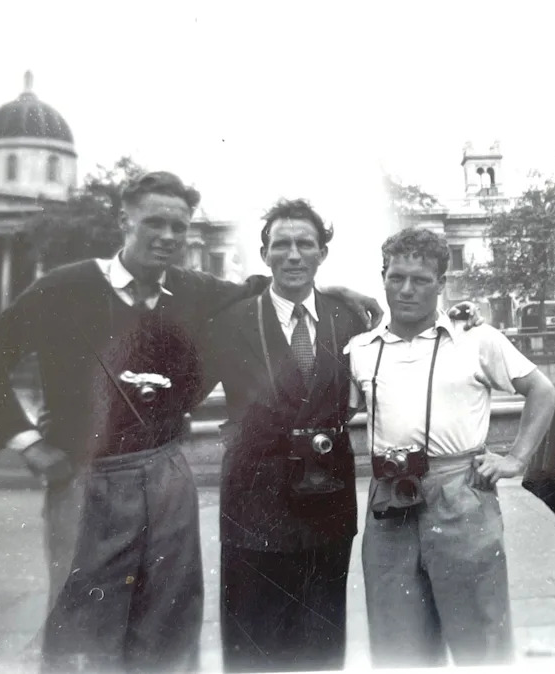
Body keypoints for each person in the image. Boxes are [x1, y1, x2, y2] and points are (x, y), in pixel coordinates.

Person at [0, 172, 381, 672]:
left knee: (170, 623)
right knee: (83, 626)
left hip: (166, 475)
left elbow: (266, 287)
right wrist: (27, 442)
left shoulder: (191, 289)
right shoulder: (65, 287)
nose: (167, 236)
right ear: (125, 221)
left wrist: (328, 289)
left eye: (178, 227)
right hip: (87, 478)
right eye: (154, 223)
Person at [346, 228, 555, 667]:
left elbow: (542, 391)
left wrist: (516, 457)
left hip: (460, 491)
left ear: (441, 285)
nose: (406, 289)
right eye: (396, 277)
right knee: (396, 639)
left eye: (420, 280)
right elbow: (335, 415)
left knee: (479, 635)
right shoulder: (361, 350)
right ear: (382, 277)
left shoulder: (477, 339)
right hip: (389, 498)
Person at [197, 199, 365, 672]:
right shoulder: (231, 322)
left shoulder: (350, 318)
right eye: (282, 245)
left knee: (322, 637)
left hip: (326, 501)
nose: (293, 255)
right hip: (256, 504)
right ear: (265, 254)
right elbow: (185, 388)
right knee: (254, 642)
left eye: (305, 244)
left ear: (322, 254)